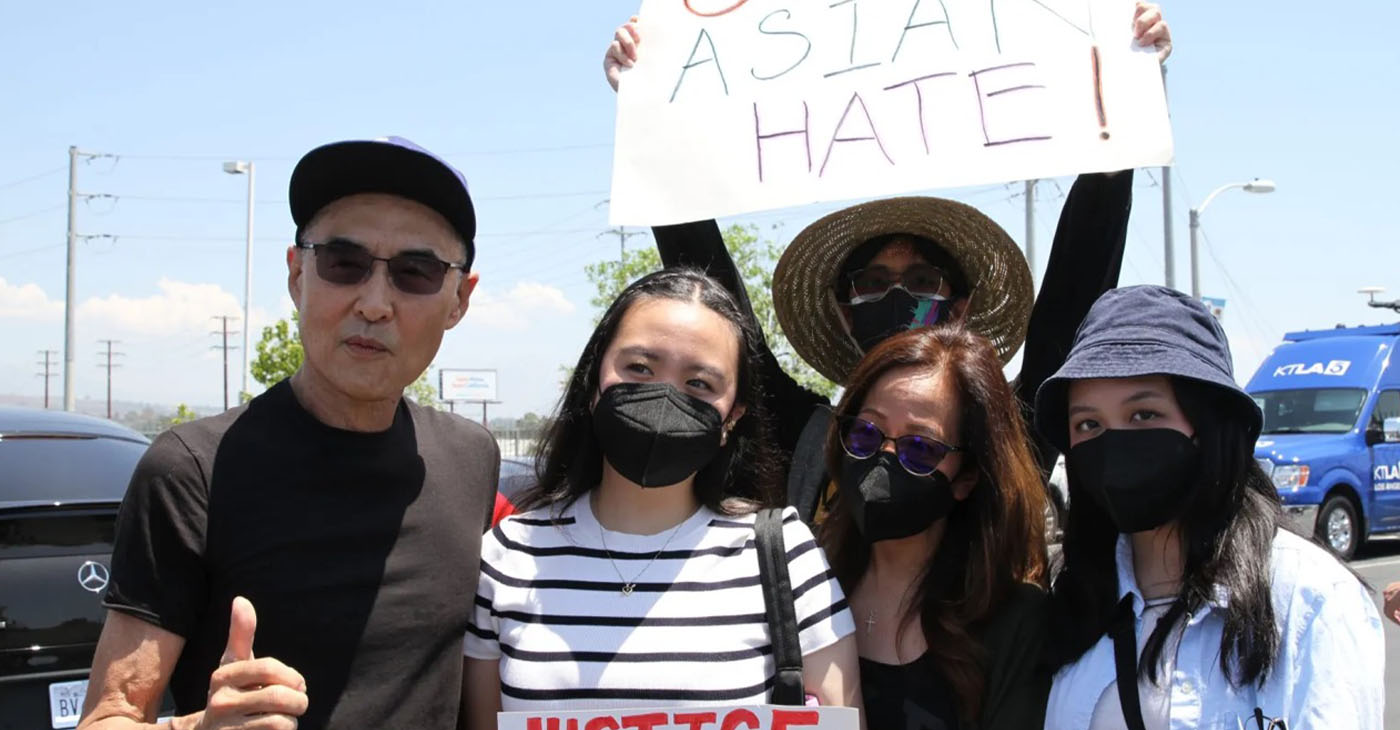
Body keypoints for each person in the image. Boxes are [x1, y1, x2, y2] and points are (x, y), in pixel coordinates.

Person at [604, 3, 1173, 522]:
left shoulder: (1006, 431)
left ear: (962, 307)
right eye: (872, 283)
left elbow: (1071, 301)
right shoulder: (803, 437)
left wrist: (1115, 133)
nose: (898, 297)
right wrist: (657, 124)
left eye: (923, 281)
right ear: (845, 314)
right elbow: (720, 297)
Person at [80, 137, 500, 730]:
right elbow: (109, 716)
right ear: (297, 273)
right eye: (344, 263)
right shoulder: (193, 469)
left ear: (460, 298)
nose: (375, 303)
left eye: (416, 272)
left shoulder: (471, 457)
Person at [461, 269, 861, 725]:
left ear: (733, 417)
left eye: (700, 385)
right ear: (594, 382)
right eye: (640, 368)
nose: (664, 396)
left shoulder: (785, 555)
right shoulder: (507, 555)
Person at [1035, 286, 1385, 729]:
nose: (1114, 444)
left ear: (1211, 427)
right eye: (1089, 424)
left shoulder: (1308, 598)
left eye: (1144, 414)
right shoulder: (1066, 601)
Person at [819, 325, 1051, 730]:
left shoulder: (1014, 622)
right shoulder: (798, 589)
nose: (884, 458)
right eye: (865, 433)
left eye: (920, 448)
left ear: (967, 477)